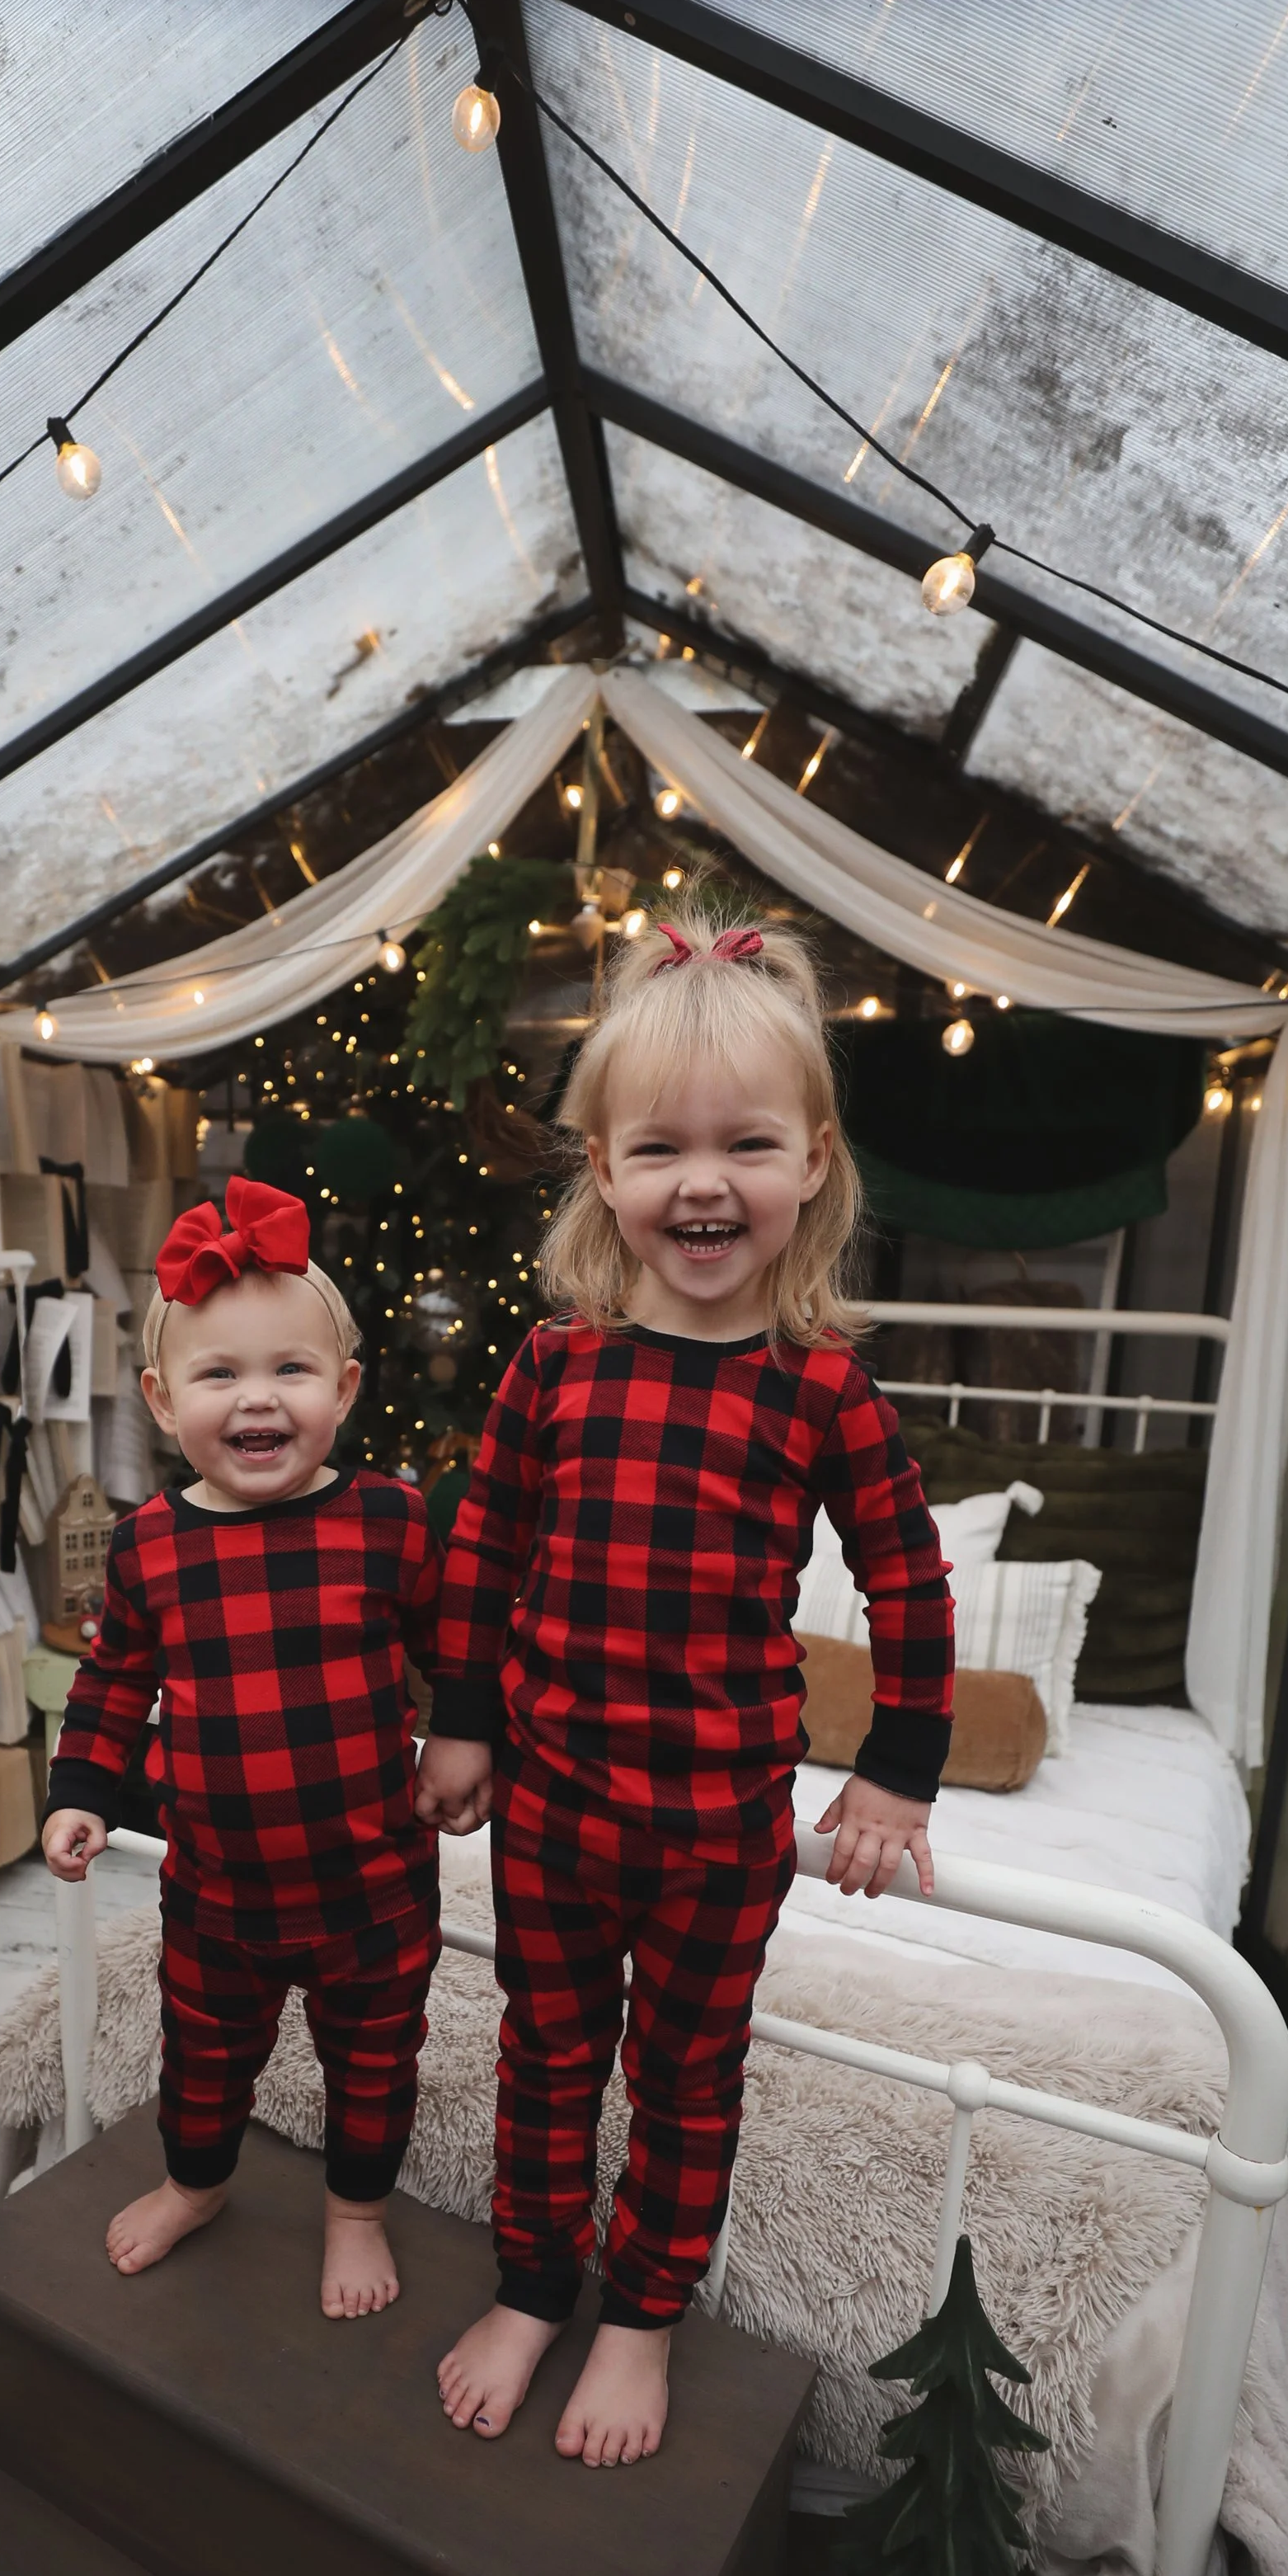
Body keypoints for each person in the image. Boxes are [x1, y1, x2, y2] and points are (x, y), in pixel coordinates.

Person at [417, 902, 955, 2468]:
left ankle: (643, 2314)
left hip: (722, 1823)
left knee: (686, 2078)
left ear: (813, 1164)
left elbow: (906, 1576)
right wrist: (460, 1715)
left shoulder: (822, 1383)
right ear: (603, 1169)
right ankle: (532, 2283)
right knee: (544, 2053)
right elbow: (484, 1550)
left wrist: (899, 1765)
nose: (702, 1183)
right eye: (658, 1149)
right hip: (555, 1807)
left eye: (745, 1147)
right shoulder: (553, 1364)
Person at [41, 1177, 441, 2320]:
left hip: (373, 1886)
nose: (256, 1399)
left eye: (290, 1371)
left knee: (373, 2068)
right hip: (216, 1893)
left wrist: (469, 1741)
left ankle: (356, 2210)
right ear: (165, 1403)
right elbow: (114, 1677)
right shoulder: (149, 1547)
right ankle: (196, 2183)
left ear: (345, 1389)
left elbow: (455, 1647)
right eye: (220, 1374)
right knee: (204, 2060)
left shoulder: (390, 1522)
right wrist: (82, 1787)